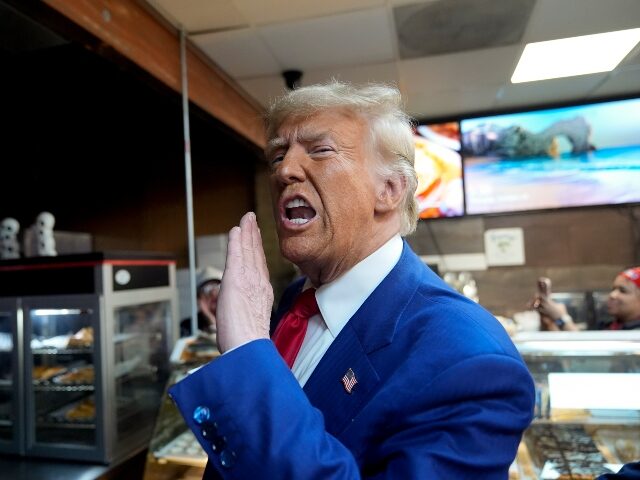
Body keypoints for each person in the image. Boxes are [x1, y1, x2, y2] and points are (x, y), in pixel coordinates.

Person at [168, 82, 535, 478]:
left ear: (390, 190)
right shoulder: (296, 299)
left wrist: (247, 350)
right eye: (277, 155)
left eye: (320, 150)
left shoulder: (472, 362)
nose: (285, 170)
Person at [532, 267, 640, 331]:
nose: (612, 295)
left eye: (623, 290)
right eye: (613, 289)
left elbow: (594, 358)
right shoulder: (607, 325)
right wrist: (549, 321)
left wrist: (561, 318)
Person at [179, 266, 223, 337]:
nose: (213, 293)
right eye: (207, 289)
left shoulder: (235, 320)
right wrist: (210, 320)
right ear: (198, 298)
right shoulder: (187, 326)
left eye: (217, 286)